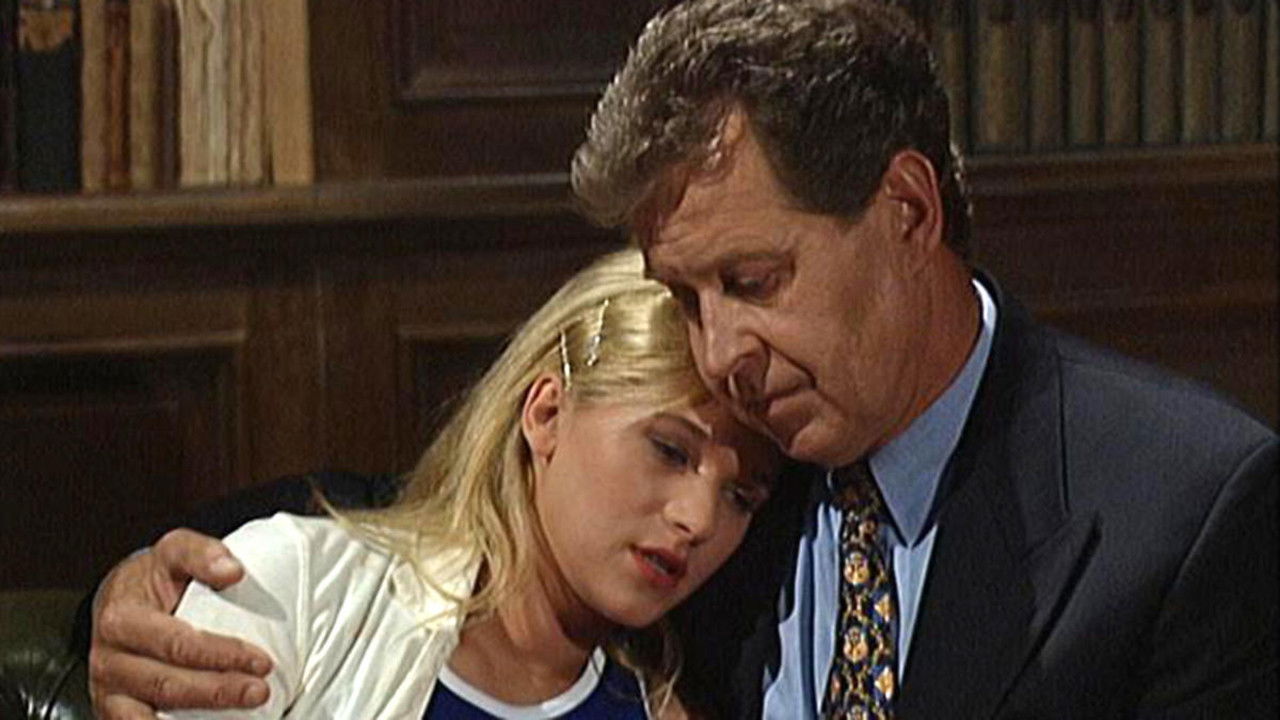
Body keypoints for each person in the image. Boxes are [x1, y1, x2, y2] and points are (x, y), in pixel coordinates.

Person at [87, 1, 1278, 718]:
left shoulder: (1184, 506)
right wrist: (139, 583)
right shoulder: (735, 471)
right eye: (682, 298)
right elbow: (418, 518)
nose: (718, 353)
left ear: (907, 212)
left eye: (752, 283)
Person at [98, 248, 779, 718]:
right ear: (546, 414)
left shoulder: (665, 705)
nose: (699, 520)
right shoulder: (302, 587)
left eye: (740, 497)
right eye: (668, 450)